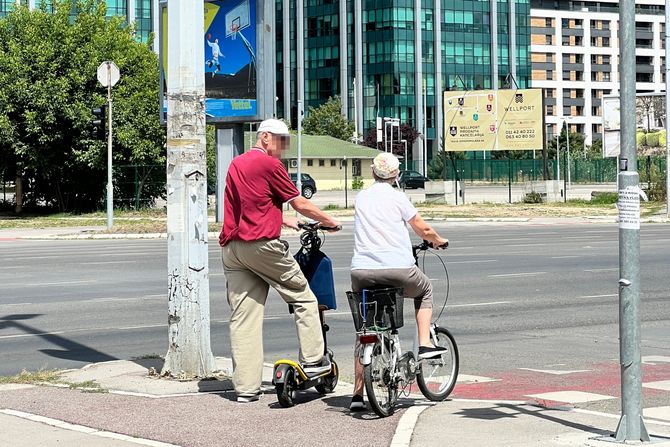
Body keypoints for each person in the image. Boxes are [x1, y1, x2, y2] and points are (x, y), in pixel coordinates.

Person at [220, 118, 341, 403]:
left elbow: (250, 203)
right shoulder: (270, 165)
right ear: (264, 137)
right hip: (262, 246)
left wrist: (283, 220)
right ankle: (314, 361)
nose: (283, 148)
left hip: (233, 249)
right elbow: (299, 201)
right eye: (280, 141)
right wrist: (329, 221)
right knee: (303, 297)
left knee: (244, 318)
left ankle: (246, 389)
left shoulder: (237, 163)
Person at [348, 152, 449, 411]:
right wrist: (438, 240)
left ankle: (358, 396)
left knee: (366, 331)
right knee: (425, 289)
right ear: (396, 174)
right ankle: (425, 343)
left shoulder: (361, 198)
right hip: (397, 269)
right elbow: (422, 229)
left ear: (373, 173)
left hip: (361, 272)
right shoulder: (398, 198)